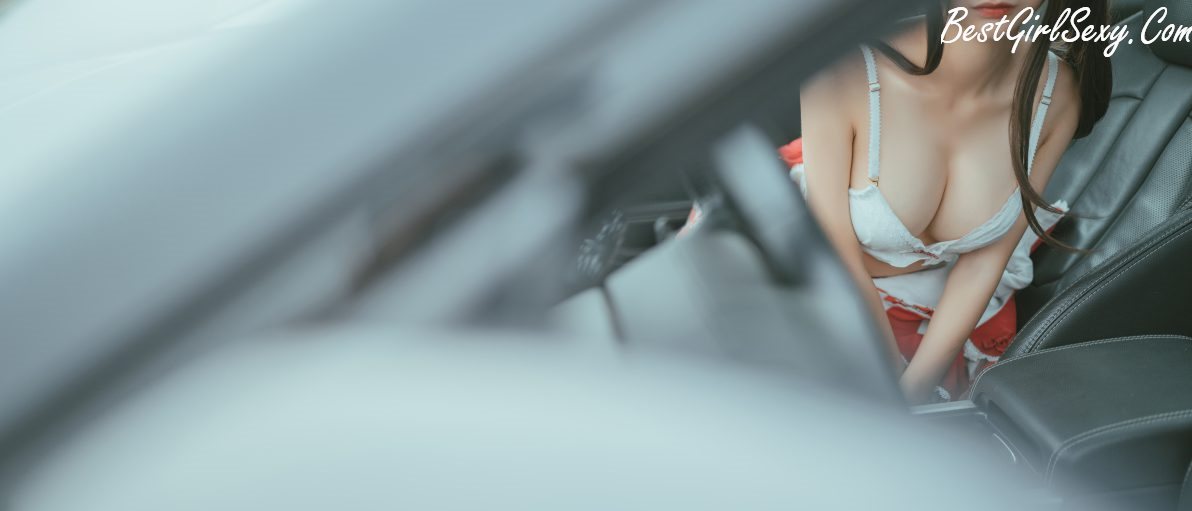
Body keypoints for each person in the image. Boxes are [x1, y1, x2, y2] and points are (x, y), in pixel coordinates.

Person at [686, 0, 1112, 404]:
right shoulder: (843, 70)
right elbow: (835, 251)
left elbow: (985, 261)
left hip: (934, 315)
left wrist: (914, 392)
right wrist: (890, 379)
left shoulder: (1058, 96)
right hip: (819, 285)